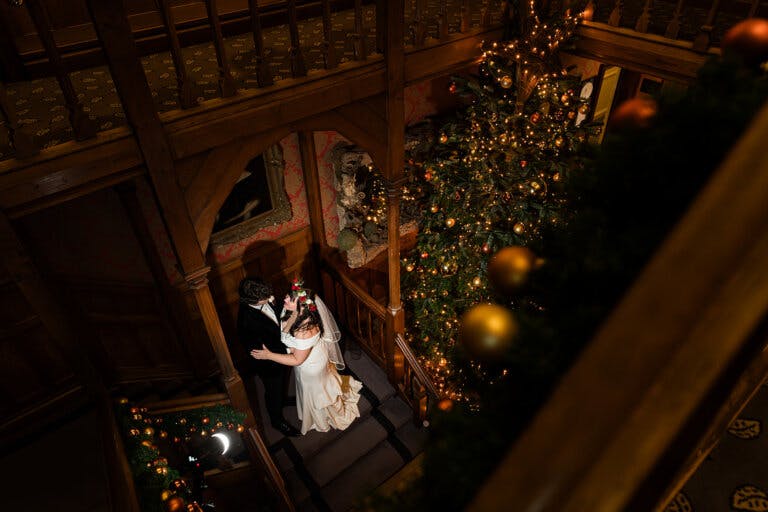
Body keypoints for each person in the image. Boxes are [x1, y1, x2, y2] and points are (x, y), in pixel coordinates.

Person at [250, 278, 362, 435]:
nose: (285, 298)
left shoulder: (304, 330)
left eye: (290, 298)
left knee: (317, 393)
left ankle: (324, 418)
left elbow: (297, 359)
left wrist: (268, 355)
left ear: (301, 306)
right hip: (310, 356)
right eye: (289, 296)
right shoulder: (298, 312)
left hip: (310, 366)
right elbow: (286, 332)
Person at [237, 277, 301, 437]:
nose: (271, 298)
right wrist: (289, 350)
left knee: (283, 382)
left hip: (281, 352)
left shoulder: (266, 297)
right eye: (266, 298)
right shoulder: (246, 322)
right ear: (253, 300)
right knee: (273, 391)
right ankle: (277, 420)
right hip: (268, 365)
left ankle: (284, 400)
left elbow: (278, 310)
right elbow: (260, 352)